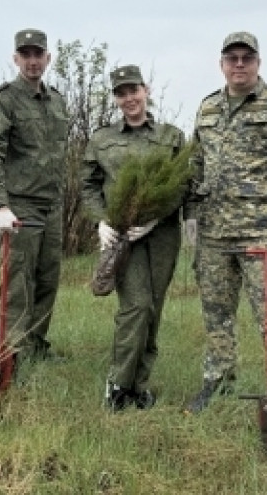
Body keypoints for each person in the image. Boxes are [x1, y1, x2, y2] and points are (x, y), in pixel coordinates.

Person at [183, 31, 267, 424]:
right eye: (232, 58)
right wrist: (190, 214)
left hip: (262, 234)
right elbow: (196, 167)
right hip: (214, 234)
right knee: (216, 316)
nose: (239, 65)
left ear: (258, 62)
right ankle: (218, 381)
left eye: (246, 58)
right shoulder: (207, 109)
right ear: (222, 63)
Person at [80, 64, 185, 411]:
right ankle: (117, 386)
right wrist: (100, 221)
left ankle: (139, 388)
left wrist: (157, 217)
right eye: (121, 93)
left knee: (153, 310)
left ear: (146, 89)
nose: (129, 98)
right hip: (123, 237)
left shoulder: (171, 136)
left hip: (162, 236)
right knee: (136, 306)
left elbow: (183, 184)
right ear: (115, 98)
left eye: (134, 90)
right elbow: (88, 185)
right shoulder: (102, 139)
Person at [0, 28, 69, 379]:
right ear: (16, 59)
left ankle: (34, 348)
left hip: (52, 205)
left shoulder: (57, 101)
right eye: (25, 54)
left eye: (38, 54)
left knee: (48, 281)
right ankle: (7, 359)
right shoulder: (3, 100)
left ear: (48, 58)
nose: (32, 61)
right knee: (18, 284)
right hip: (20, 206)